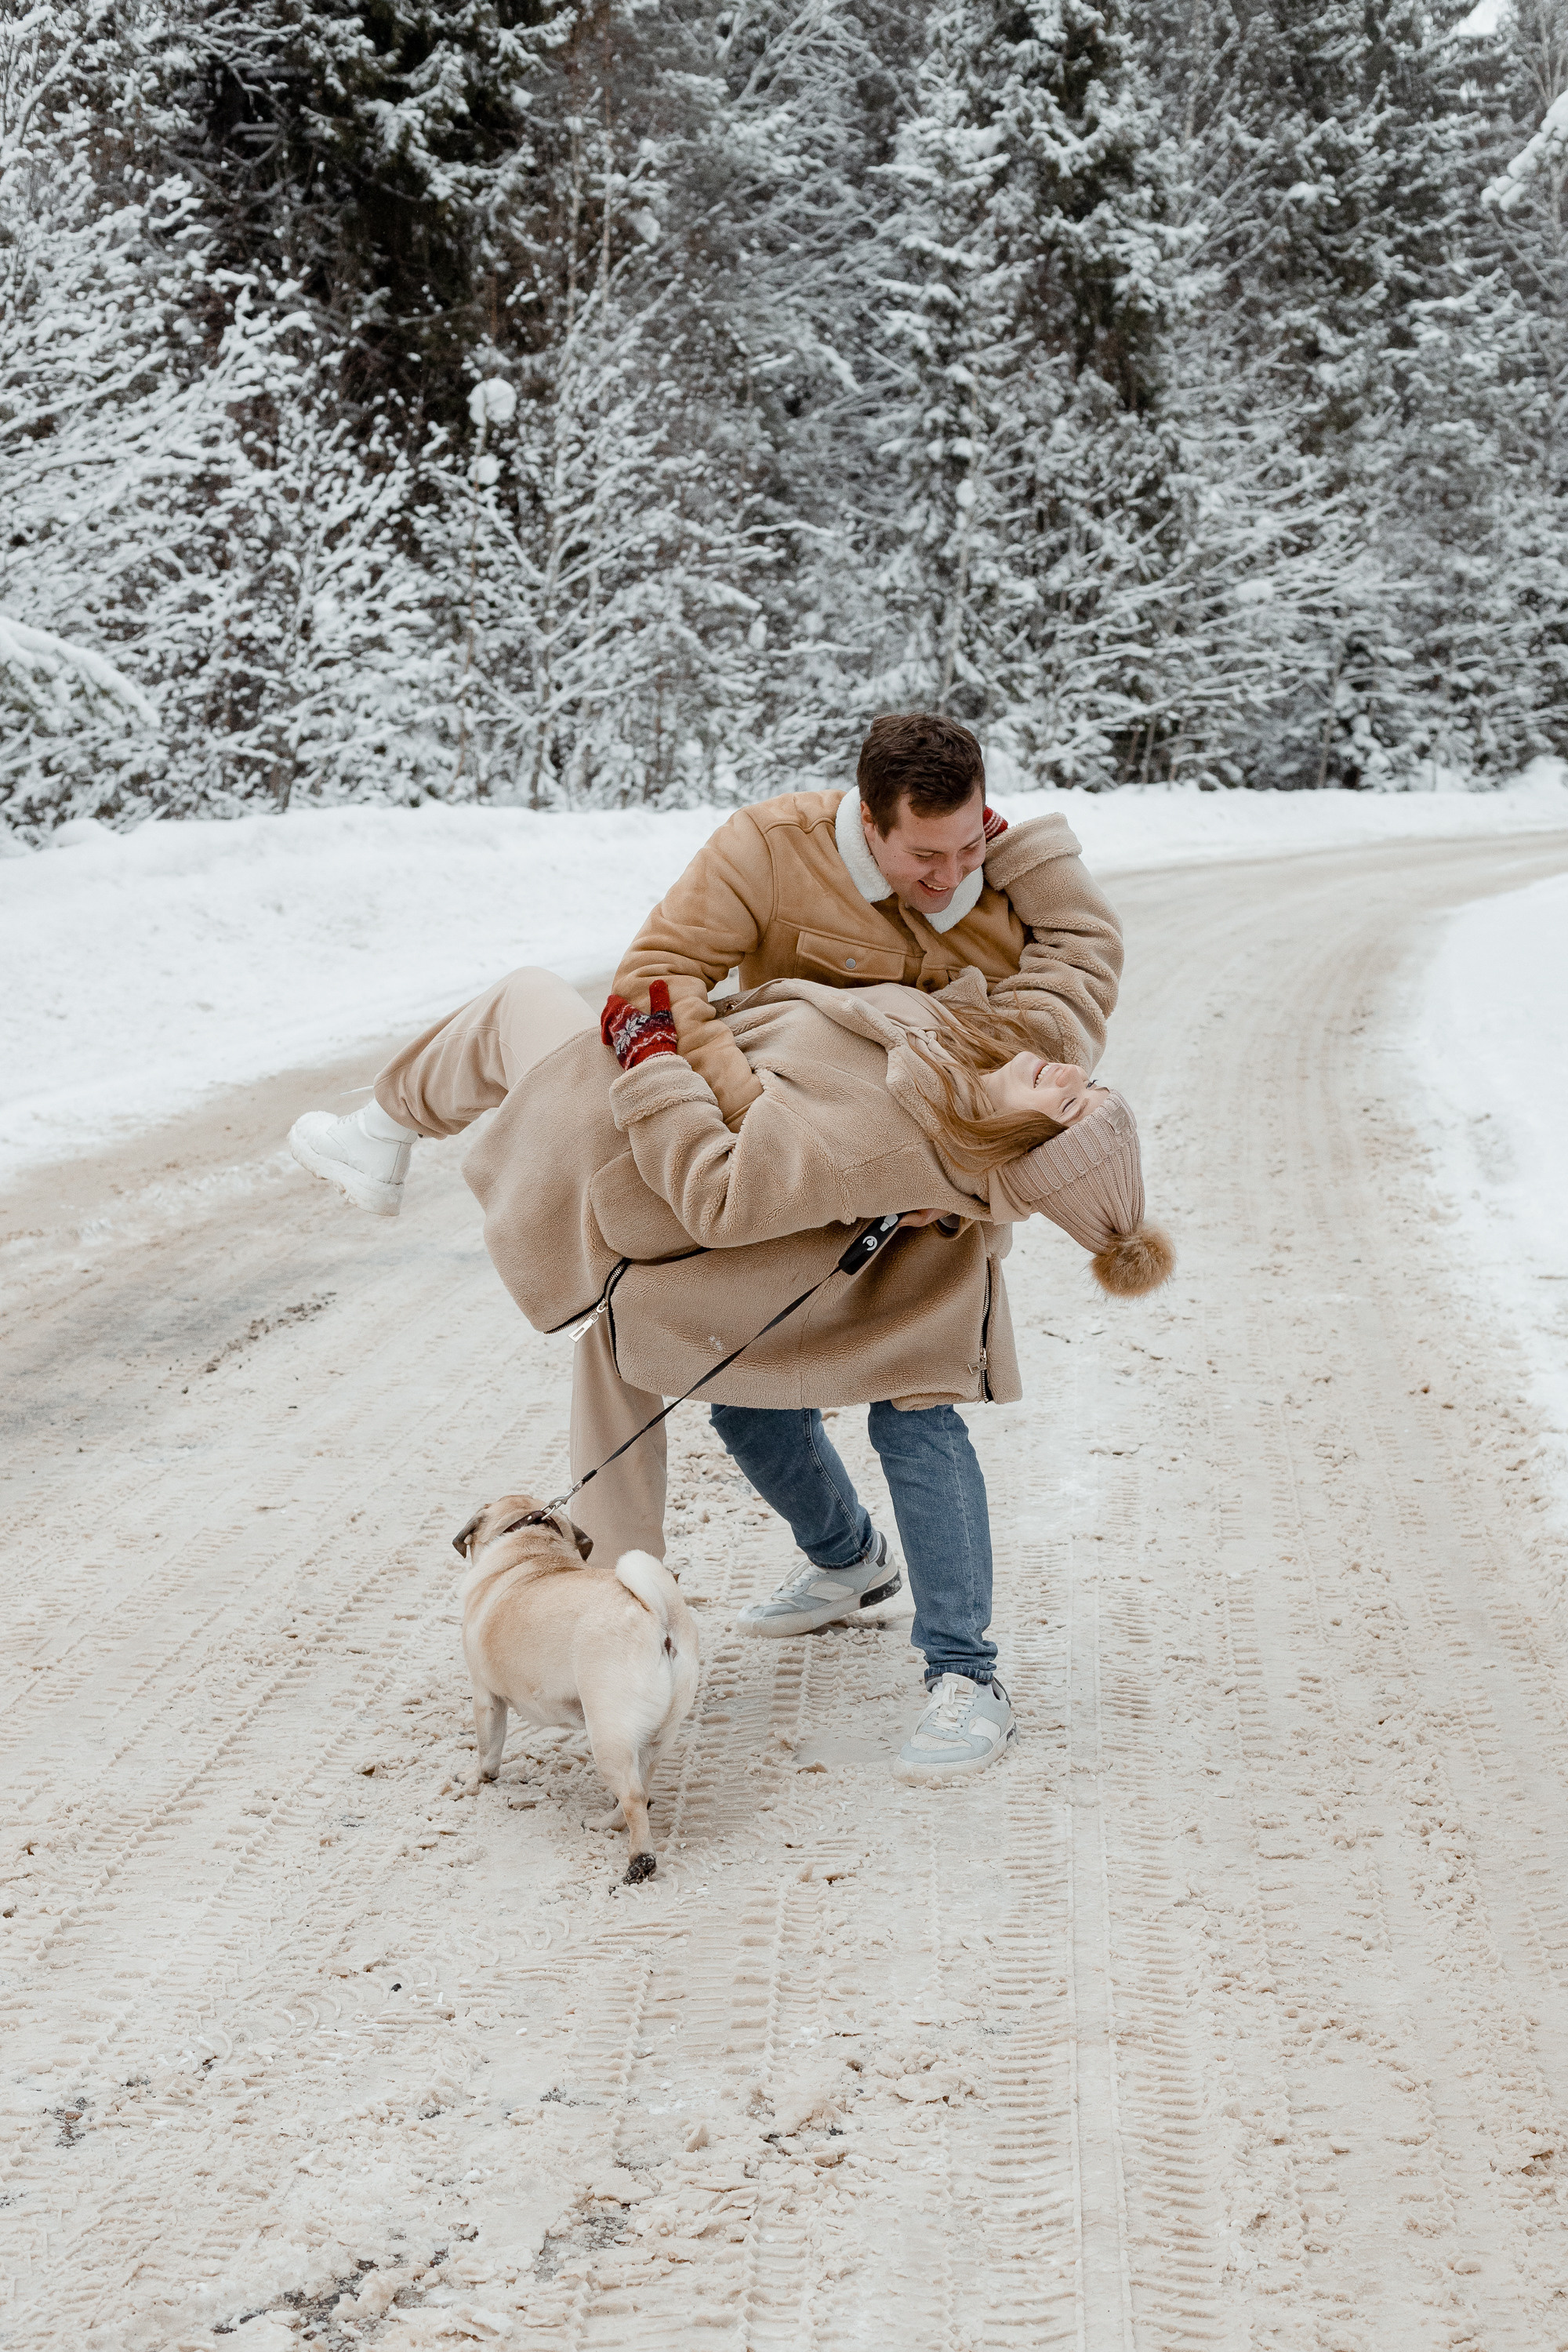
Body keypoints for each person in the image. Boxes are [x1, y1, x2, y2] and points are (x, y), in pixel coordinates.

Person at [289, 713, 1126, 1613]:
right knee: (533, 1028)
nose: (950, 875)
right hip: (754, 1134)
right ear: (868, 821)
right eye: (924, 854)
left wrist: (948, 1189)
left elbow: (1061, 1022)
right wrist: (742, 1108)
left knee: (831, 1385)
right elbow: (657, 973)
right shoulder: (773, 848)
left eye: (969, 847)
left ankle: (652, 1605)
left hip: (858, 1199)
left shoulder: (1001, 907)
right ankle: (384, 1131)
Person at [293, 949, 1169, 1782]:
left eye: (1068, 1109)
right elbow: (1067, 959)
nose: (1068, 1077)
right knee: (732, 1399)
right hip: (697, 1175)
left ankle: (381, 1131)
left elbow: (717, 1194)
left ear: (1024, 1143)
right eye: (1088, 1087)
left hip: (631, 1132)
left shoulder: (890, 1137)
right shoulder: (963, 1064)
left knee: (523, 1012)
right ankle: (821, 1566)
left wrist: (649, 1058)